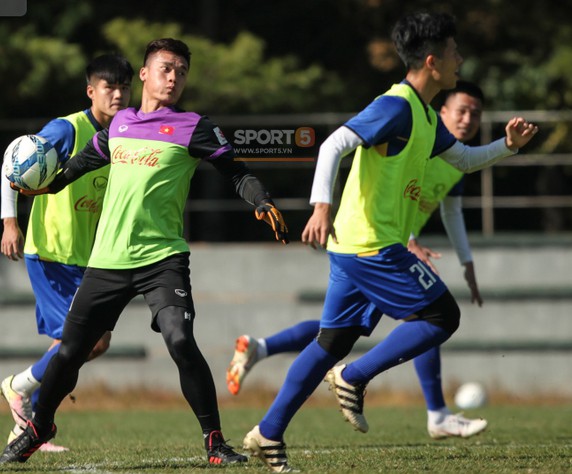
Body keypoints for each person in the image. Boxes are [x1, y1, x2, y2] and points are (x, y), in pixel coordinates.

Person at [242, 11, 537, 472]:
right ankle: (354, 377)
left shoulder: (422, 112)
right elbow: (331, 145)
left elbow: (461, 158)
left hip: (357, 245)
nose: (461, 59)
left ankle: (268, 433)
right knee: (442, 316)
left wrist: (508, 145)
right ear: (434, 60)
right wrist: (321, 206)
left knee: (330, 342)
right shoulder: (397, 104)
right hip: (371, 245)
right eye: (455, 52)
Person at [0, 37, 288, 466]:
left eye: (182, 72)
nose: (174, 78)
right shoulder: (118, 125)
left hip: (162, 259)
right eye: (166, 68)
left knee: (180, 340)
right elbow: (74, 169)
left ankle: (214, 441)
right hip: (108, 260)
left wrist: (260, 200)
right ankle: (40, 426)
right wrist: (36, 186)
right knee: (70, 352)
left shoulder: (195, 126)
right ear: (145, 74)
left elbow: (236, 173)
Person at [227, 81, 487, 440]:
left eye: (476, 112)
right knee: (431, 316)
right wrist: (405, 239)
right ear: (444, 112)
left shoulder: (445, 147)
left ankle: (268, 421)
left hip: (377, 244)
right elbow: (385, 190)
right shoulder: (412, 125)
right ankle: (423, 407)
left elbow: (451, 210)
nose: (469, 118)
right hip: (375, 244)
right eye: (462, 109)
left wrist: (467, 262)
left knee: (336, 336)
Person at [0, 53, 134, 452]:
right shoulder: (66, 130)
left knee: (94, 342)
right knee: (83, 343)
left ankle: (28, 417)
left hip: (90, 258)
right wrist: (10, 222)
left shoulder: (126, 134)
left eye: (124, 87)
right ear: (91, 91)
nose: (118, 94)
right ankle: (20, 391)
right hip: (53, 253)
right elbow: (13, 164)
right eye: (109, 87)